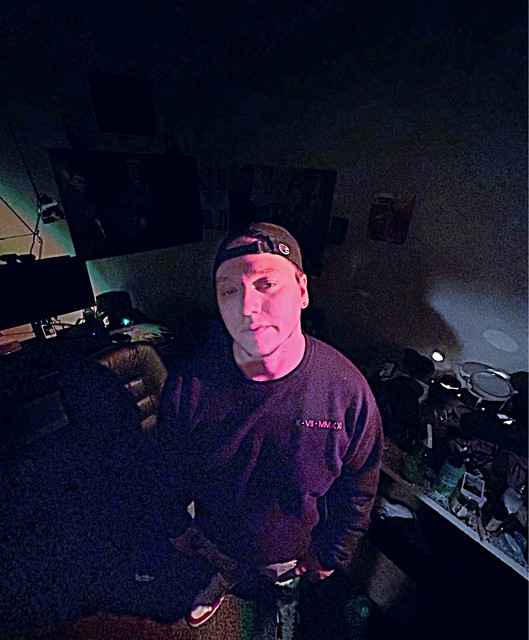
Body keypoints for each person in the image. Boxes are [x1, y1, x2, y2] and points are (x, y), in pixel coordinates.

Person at [157, 222, 383, 639]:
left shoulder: (347, 393)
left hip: (290, 550)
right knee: (226, 565)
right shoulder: (189, 387)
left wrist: (332, 553)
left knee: (282, 595)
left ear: (302, 289)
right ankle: (224, 578)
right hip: (216, 536)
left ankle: (283, 605)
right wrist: (175, 523)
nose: (247, 306)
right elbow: (166, 466)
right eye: (230, 290)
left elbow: (360, 486)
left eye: (266, 284)